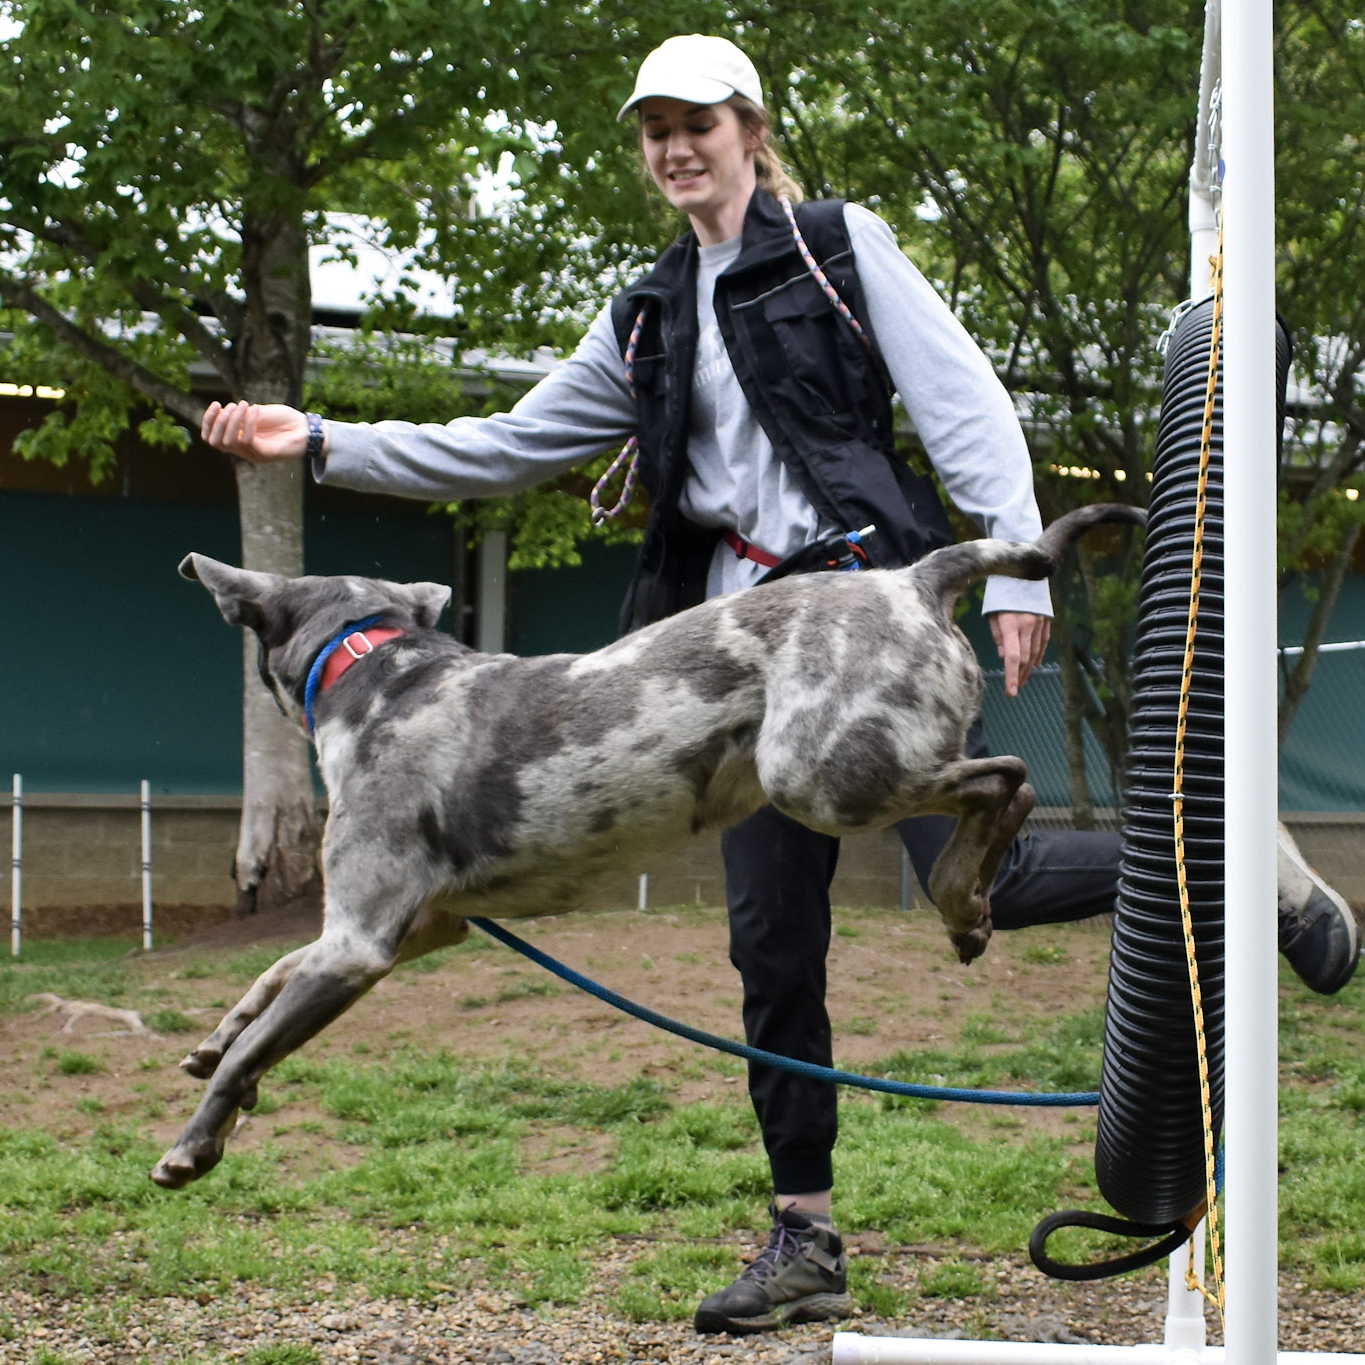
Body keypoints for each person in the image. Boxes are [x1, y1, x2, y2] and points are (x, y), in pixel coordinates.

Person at [202, 34, 1361, 1336]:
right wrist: (323, 439)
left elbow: (963, 399)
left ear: (750, 128)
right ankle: (802, 1238)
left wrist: (1022, 565)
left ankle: (1227, 852)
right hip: (718, 665)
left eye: (695, 120)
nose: (673, 146)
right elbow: (507, 443)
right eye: (652, 130)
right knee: (771, 950)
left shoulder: (833, 245)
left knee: (990, 878)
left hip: (861, 611)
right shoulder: (643, 313)